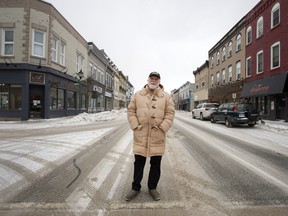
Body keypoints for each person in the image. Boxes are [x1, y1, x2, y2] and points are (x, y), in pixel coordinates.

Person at [125, 71, 175, 201]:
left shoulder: (166, 96)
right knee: (139, 163)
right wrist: (135, 126)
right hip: (141, 134)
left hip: (157, 135)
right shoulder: (138, 95)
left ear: (159, 81)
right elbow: (131, 111)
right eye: (151, 78)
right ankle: (135, 188)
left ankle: (152, 188)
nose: (153, 81)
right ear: (148, 80)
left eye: (156, 79)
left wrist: (163, 127)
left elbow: (170, 113)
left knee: (156, 163)